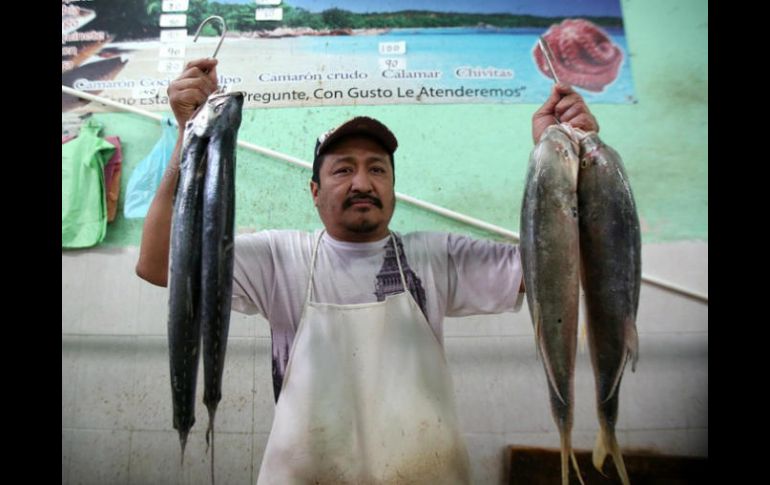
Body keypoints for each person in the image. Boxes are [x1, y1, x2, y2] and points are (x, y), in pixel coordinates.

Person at [136, 57, 599, 484]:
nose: (362, 183)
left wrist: (566, 159)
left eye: (377, 169)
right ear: (314, 191)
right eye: (343, 170)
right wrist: (191, 135)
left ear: (394, 189)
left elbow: (563, 266)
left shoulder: (436, 259)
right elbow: (157, 265)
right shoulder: (278, 258)